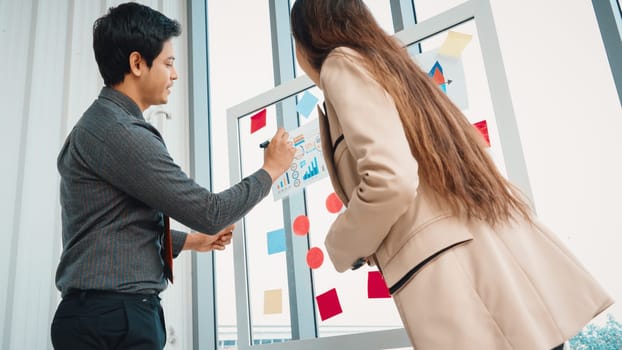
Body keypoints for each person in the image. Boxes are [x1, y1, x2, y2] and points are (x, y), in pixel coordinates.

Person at [290, 1, 613, 349]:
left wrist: (340, 244)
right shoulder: (391, 66)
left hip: (461, 285)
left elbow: (391, 180)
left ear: (308, 37)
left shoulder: (340, 65)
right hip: (498, 272)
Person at [50, 3, 295, 349]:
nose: (175, 75)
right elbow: (210, 213)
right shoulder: (119, 132)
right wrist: (271, 169)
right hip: (114, 321)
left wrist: (190, 241)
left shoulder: (99, 125)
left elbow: (114, 225)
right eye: (168, 63)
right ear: (137, 63)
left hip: (103, 316)